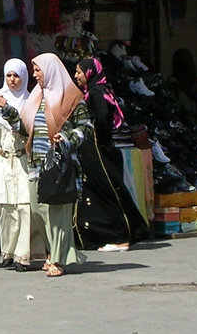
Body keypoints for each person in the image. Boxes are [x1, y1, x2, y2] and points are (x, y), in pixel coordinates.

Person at [21, 54, 92, 276]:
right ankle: (53, 252)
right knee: (38, 209)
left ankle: (59, 260)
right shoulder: (36, 97)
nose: (34, 75)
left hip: (59, 165)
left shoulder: (71, 98)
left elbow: (86, 126)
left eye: (37, 70)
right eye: (33, 70)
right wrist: (8, 113)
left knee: (57, 213)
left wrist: (68, 137)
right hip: (36, 164)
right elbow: (26, 128)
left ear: (50, 70)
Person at [73, 57, 149, 252]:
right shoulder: (97, 90)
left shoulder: (96, 92)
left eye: (79, 72)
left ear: (89, 73)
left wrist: (101, 139)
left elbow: (104, 116)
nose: (76, 76)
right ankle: (110, 234)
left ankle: (120, 237)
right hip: (97, 148)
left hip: (97, 148)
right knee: (103, 191)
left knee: (108, 191)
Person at [0, 59, 43, 270]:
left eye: (16, 75)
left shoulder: (30, 101)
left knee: (24, 207)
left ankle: (22, 255)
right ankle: (7, 249)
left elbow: (35, 133)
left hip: (22, 161)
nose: (13, 80)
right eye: (9, 75)